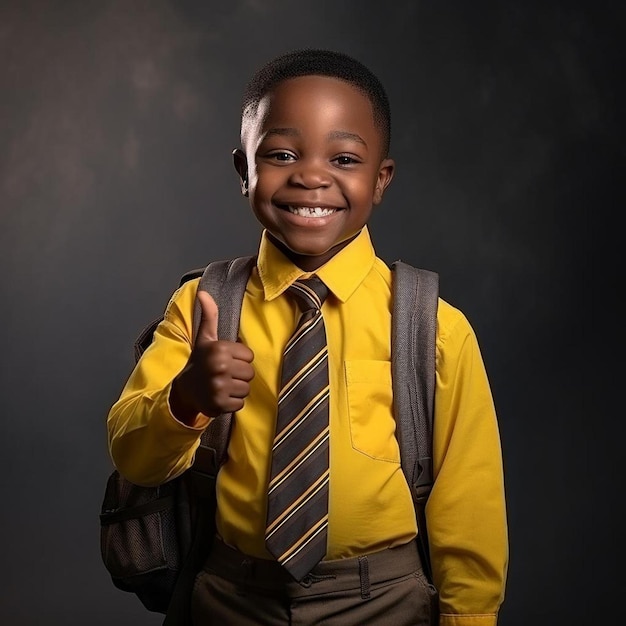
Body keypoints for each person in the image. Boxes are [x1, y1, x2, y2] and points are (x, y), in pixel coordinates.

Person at [107, 48, 508, 625]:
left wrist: (469, 618)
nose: (311, 175)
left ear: (380, 179)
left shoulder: (434, 325)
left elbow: (468, 502)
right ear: (245, 171)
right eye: (281, 154)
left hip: (384, 602)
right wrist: (187, 399)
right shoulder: (204, 306)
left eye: (344, 157)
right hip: (232, 597)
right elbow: (133, 456)